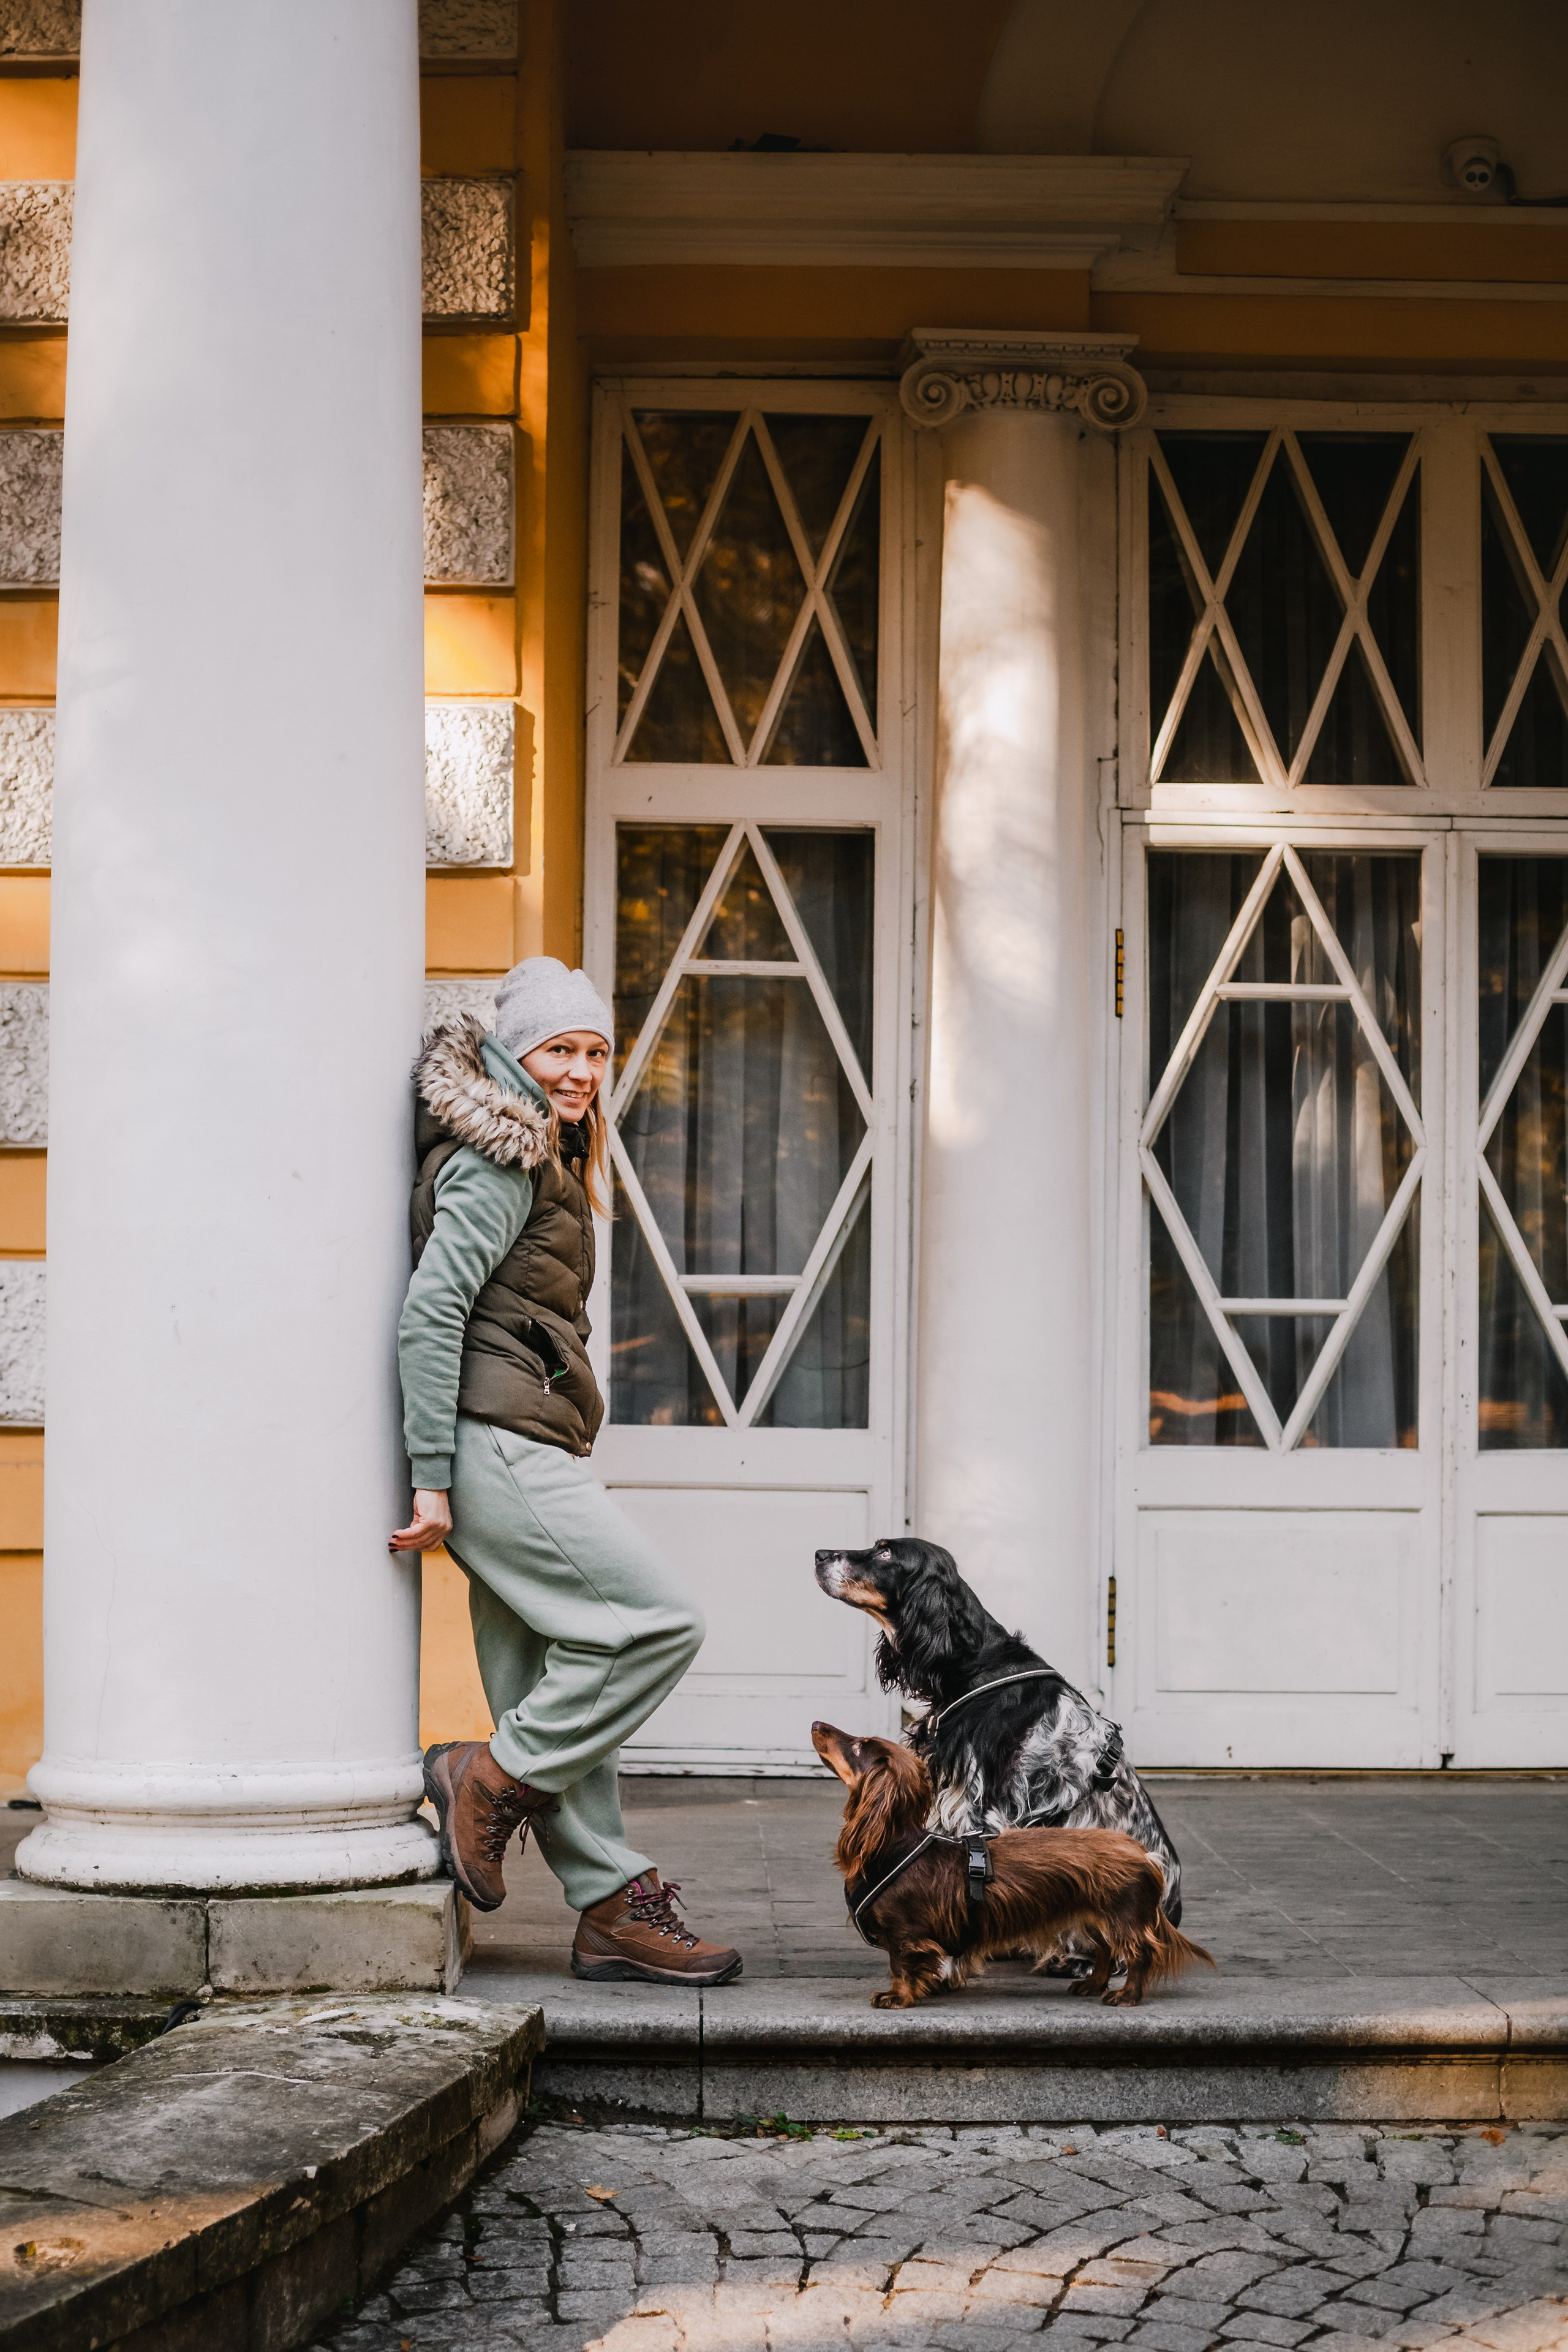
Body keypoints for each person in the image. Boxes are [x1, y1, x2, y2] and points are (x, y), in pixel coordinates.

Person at [390, 957, 741, 1985]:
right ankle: (485, 1778)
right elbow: (431, 1313)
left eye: (595, 1052)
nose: (582, 1071)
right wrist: (430, 1474)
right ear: (513, 1053)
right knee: (656, 1621)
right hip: (492, 1444)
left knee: (552, 1672)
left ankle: (608, 1903)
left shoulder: (545, 1150)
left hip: (511, 1434)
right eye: (560, 1052)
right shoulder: (502, 1159)